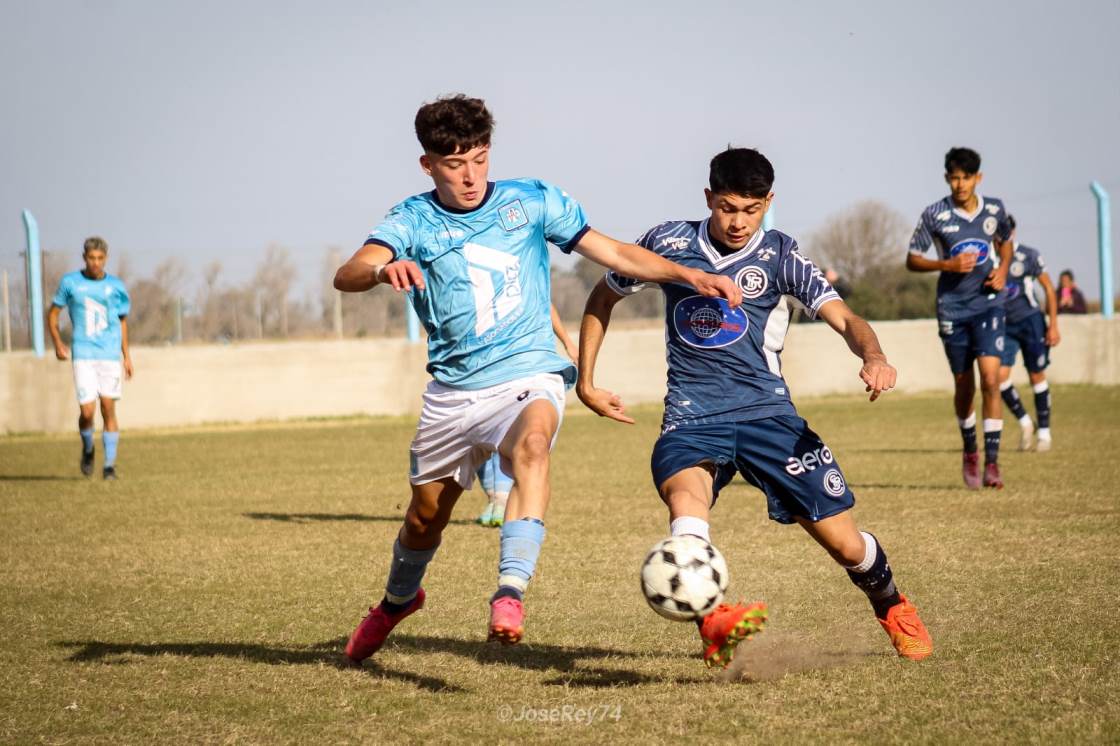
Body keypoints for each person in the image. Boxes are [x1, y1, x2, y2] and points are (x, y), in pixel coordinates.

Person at [333, 94, 741, 664]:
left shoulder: (532, 200)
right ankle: (399, 601)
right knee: (424, 520)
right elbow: (347, 273)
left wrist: (686, 275)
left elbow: (615, 251)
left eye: (478, 158)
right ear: (428, 164)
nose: (470, 175)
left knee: (532, 446)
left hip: (529, 371)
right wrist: (382, 268)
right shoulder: (412, 218)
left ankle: (510, 591)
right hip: (454, 390)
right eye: (454, 164)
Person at [577, 147, 932, 668]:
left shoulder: (782, 256)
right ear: (708, 198)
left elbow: (847, 319)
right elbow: (602, 297)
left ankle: (892, 605)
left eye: (751, 209)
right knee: (686, 511)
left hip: (769, 418)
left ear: (768, 203)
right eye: (726, 208)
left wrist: (874, 355)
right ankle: (713, 622)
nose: (738, 221)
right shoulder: (668, 244)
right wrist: (586, 381)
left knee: (845, 545)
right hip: (692, 417)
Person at [905, 147, 1014, 489]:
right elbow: (912, 259)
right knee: (964, 387)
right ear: (946, 178)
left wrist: (1004, 270)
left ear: (977, 178)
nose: (960, 183)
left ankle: (993, 464)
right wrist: (946, 265)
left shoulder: (995, 209)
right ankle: (970, 451)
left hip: (989, 304)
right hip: (952, 308)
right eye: (954, 177)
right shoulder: (935, 214)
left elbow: (1006, 241)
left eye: (966, 177)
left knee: (992, 379)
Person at [475, 303, 577, 528]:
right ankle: (495, 498)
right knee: (478, 437)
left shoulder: (521, 279)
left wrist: (568, 342)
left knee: (516, 437)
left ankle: (501, 500)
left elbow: (545, 302)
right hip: (477, 367)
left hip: (520, 368)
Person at [47, 236, 133, 480]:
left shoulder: (116, 286)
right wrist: (57, 343)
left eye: (100, 258)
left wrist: (126, 356)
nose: (96, 263)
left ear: (106, 259)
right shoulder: (71, 283)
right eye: (91, 258)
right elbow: (52, 314)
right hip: (83, 354)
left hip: (109, 355)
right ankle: (88, 448)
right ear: (84, 258)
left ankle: (109, 466)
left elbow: (122, 321)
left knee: (108, 408)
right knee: (87, 412)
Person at [998, 216, 1060, 452]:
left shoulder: (1028, 255)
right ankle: (1025, 422)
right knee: (998, 378)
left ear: (1012, 232)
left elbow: (1048, 288)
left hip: (1031, 322)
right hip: (1003, 326)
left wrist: (1052, 324)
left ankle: (1044, 433)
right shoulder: (987, 260)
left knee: (1036, 375)